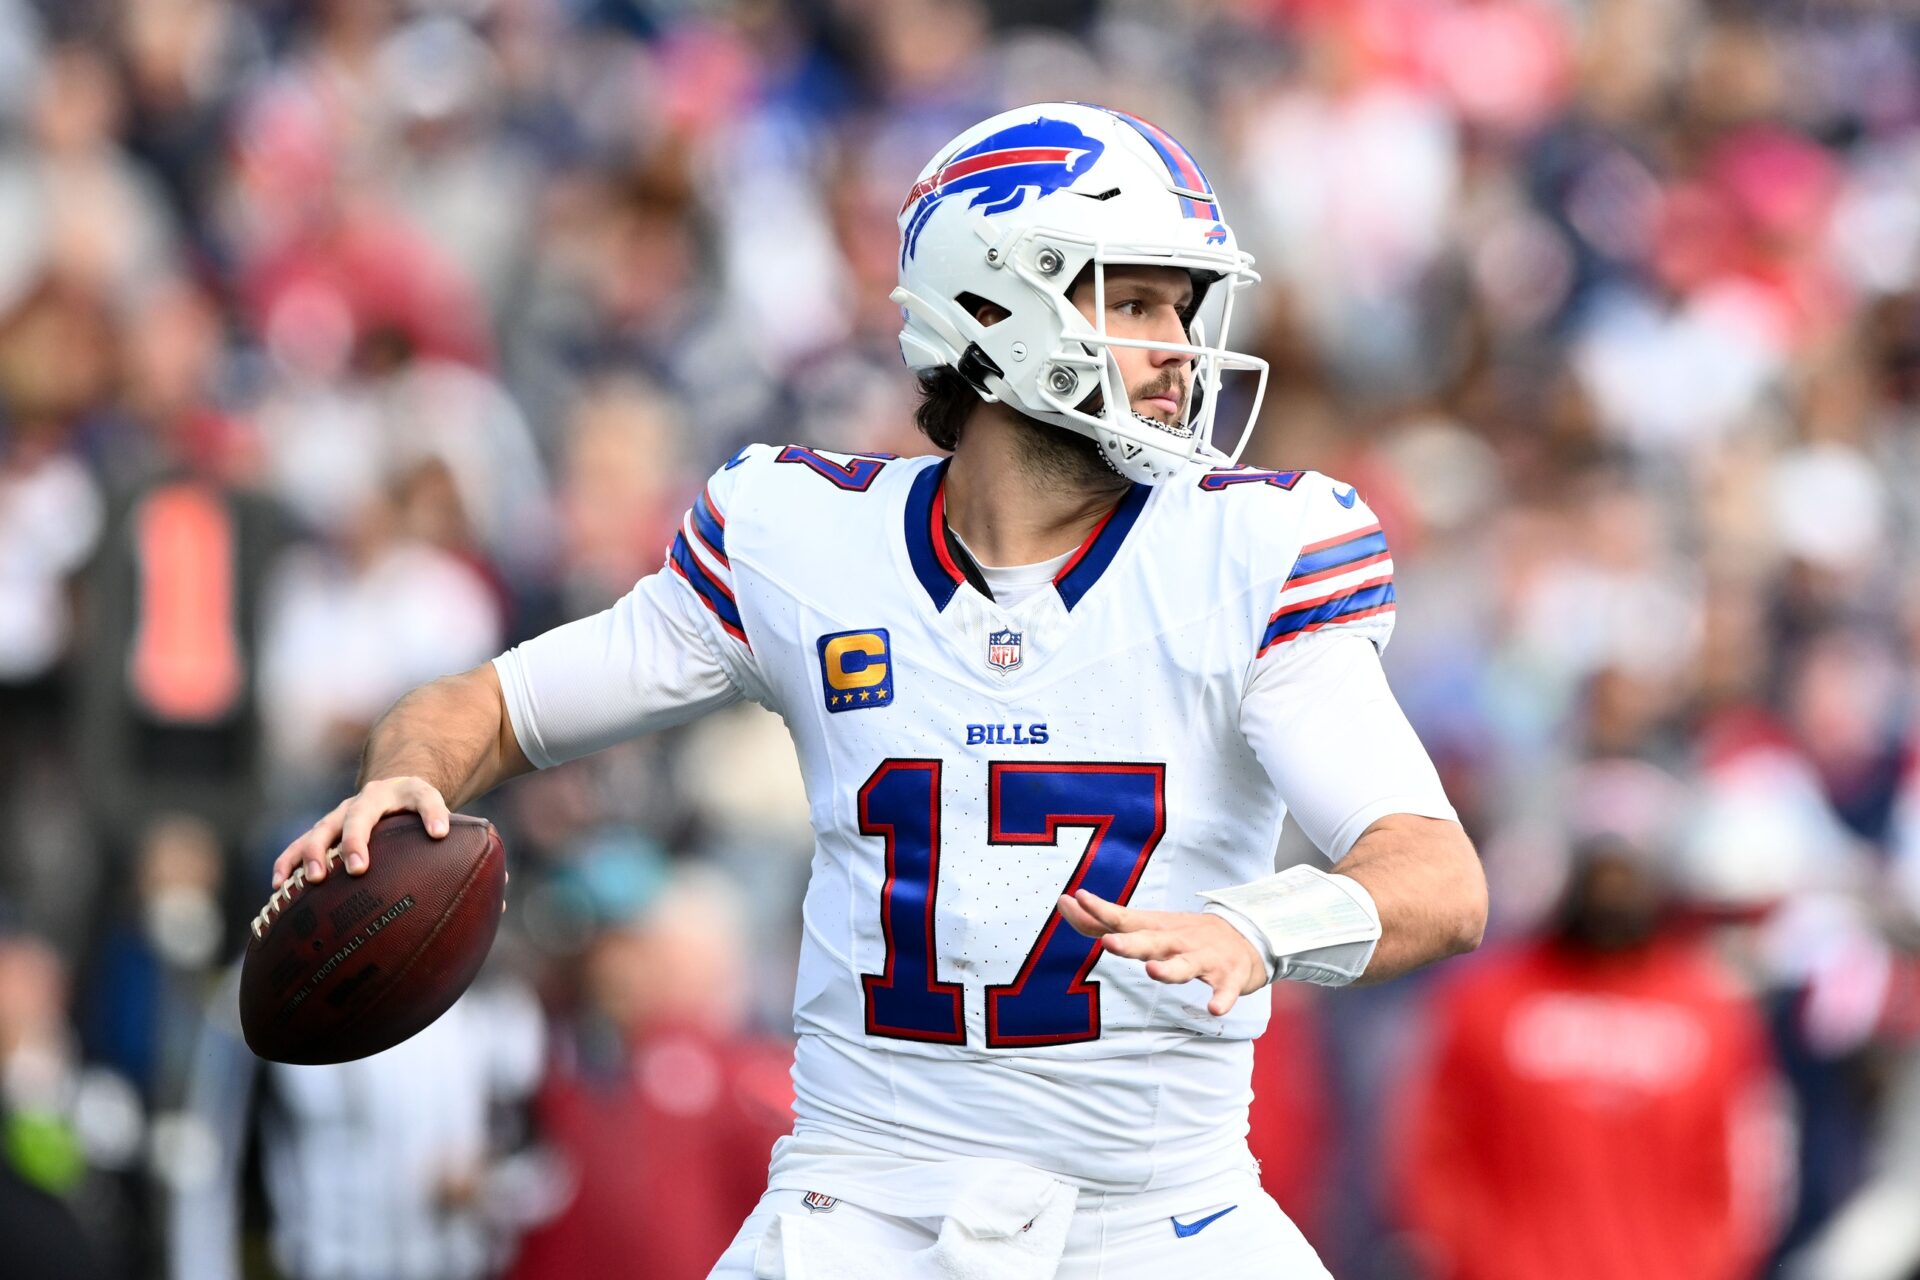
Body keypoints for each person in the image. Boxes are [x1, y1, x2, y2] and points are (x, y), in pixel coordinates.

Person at [271, 102, 1487, 1278]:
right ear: (991, 299)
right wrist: (403, 782)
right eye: (1131, 299)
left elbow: (1436, 876)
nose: (1176, 346)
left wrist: (1255, 929)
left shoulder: (1251, 554)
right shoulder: (805, 539)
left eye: (1181, 302)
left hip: (1158, 1208)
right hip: (860, 1200)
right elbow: (480, 706)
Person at [1391, 761, 1785, 1280]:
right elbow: (1433, 1152)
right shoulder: (1482, 1000)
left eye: (1630, 871)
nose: (1614, 889)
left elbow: (1747, 1179)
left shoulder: (1714, 1013)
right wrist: (1473, 1259)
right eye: (1601, 870)